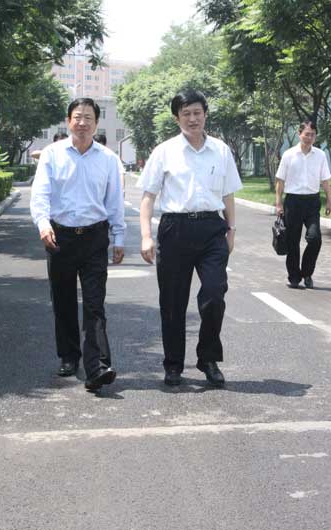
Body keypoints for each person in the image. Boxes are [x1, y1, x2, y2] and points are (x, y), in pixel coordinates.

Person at [138, 89, 242, 387]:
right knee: (173, 302)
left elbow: (228, 194)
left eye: (197, 112)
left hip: (212, 229)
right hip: (175, 229)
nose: (192, 119)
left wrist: (231, 230)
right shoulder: (165, 151)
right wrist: (146, 236)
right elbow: (148, 197)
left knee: (214, 293)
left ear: (205, 114)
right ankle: (173, 364)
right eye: (186, 114)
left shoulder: (221, 150)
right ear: (177, 118)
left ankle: (208, 358)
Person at [30, 98, 125, 391]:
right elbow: (40, 194)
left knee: (95, 304)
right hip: (60, 237)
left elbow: (114, 201)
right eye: (77, 117)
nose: (82, 123)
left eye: (88, 118)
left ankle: (98, 367)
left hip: (95, 237)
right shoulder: (52, 154)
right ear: (68, 120)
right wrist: (43, 224)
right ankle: (69, 356)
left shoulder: (108, 159)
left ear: (96, 123)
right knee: (64, 300)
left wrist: (119, 237)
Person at [274, 120, 331, 289]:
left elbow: (325, 180)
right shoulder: (289, 155)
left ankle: (307, 273)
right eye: (306, 134)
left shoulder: (320, 155)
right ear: (299, 134)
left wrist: (329, 200)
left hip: (312, 201)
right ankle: (294, 276)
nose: (309, 137)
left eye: (312, 135)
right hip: (293, 201)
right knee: (292, 241)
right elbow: (280, 181)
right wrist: (278, 203)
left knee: (315, 239)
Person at [94, 133, 126, 197]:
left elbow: (121, 173)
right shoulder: (88, 156)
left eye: (100, 145)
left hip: (108, 191)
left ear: (104, 145)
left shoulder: (111, 156)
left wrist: (122, 190)